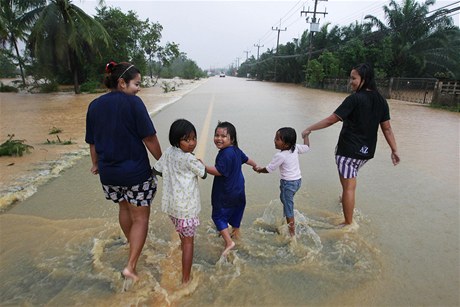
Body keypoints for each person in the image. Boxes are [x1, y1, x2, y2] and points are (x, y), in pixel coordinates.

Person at [85, 61, 162, 285]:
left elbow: (92, 142)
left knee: (124, 208)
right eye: (136, 84)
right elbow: (149, 138)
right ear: (121, 82)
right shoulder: (134, 103)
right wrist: (164, 162)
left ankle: (133, 247)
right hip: (135, 173)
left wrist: (95, 164)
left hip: (108, 174)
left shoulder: (94, 106)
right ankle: (130, 266)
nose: (138, 88)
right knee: (141, 217)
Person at [301, 63, 400, 227]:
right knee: (349, 182)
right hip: (366, 152)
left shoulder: (354, 99)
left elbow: (331, 119)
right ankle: (344, 200)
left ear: (364, 79)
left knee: (349, 187)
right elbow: (387, 128)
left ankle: (347, 223)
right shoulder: (381, 100)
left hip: (348, 151)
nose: (350, 81)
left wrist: (309, 129)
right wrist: (394, 150)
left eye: (354, 78)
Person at [153, 119, 207, 285]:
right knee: (189, 243)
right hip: (186, 209)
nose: (192, 143)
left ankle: (182, 252)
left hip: (172, 207)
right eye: (187, 139)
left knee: (183, 237)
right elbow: (203, 173)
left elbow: (156, 170)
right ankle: (185, 279)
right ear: (177, 140)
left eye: (193, 138)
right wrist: (200, 164)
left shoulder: (169, 152)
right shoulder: (189, 159)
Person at [205, 121, 257, 257]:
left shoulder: (224, 154)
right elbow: (247, 159)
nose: (219, 139)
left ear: (232, 139)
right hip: (239, 191)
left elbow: (219, 171)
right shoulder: (236, 150)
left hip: (225, 192)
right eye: (216, 135)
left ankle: (229, 242)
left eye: (223, 136)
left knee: (217, 215)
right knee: (235, 211)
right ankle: (235, 233)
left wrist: (203, 166)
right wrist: (255, 165)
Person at [255, 127, 310, 237]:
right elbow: (307, 147)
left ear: (285, 144)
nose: (274, 140)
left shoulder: (280, 155)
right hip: (297, 181)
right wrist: (306, 137)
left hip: (288, 184)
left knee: (288, 206)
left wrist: (259, 170)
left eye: (277, 139)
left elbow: (269, 169)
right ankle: (287, 222)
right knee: (285, 201)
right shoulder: (295, 148)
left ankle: (291, 234)